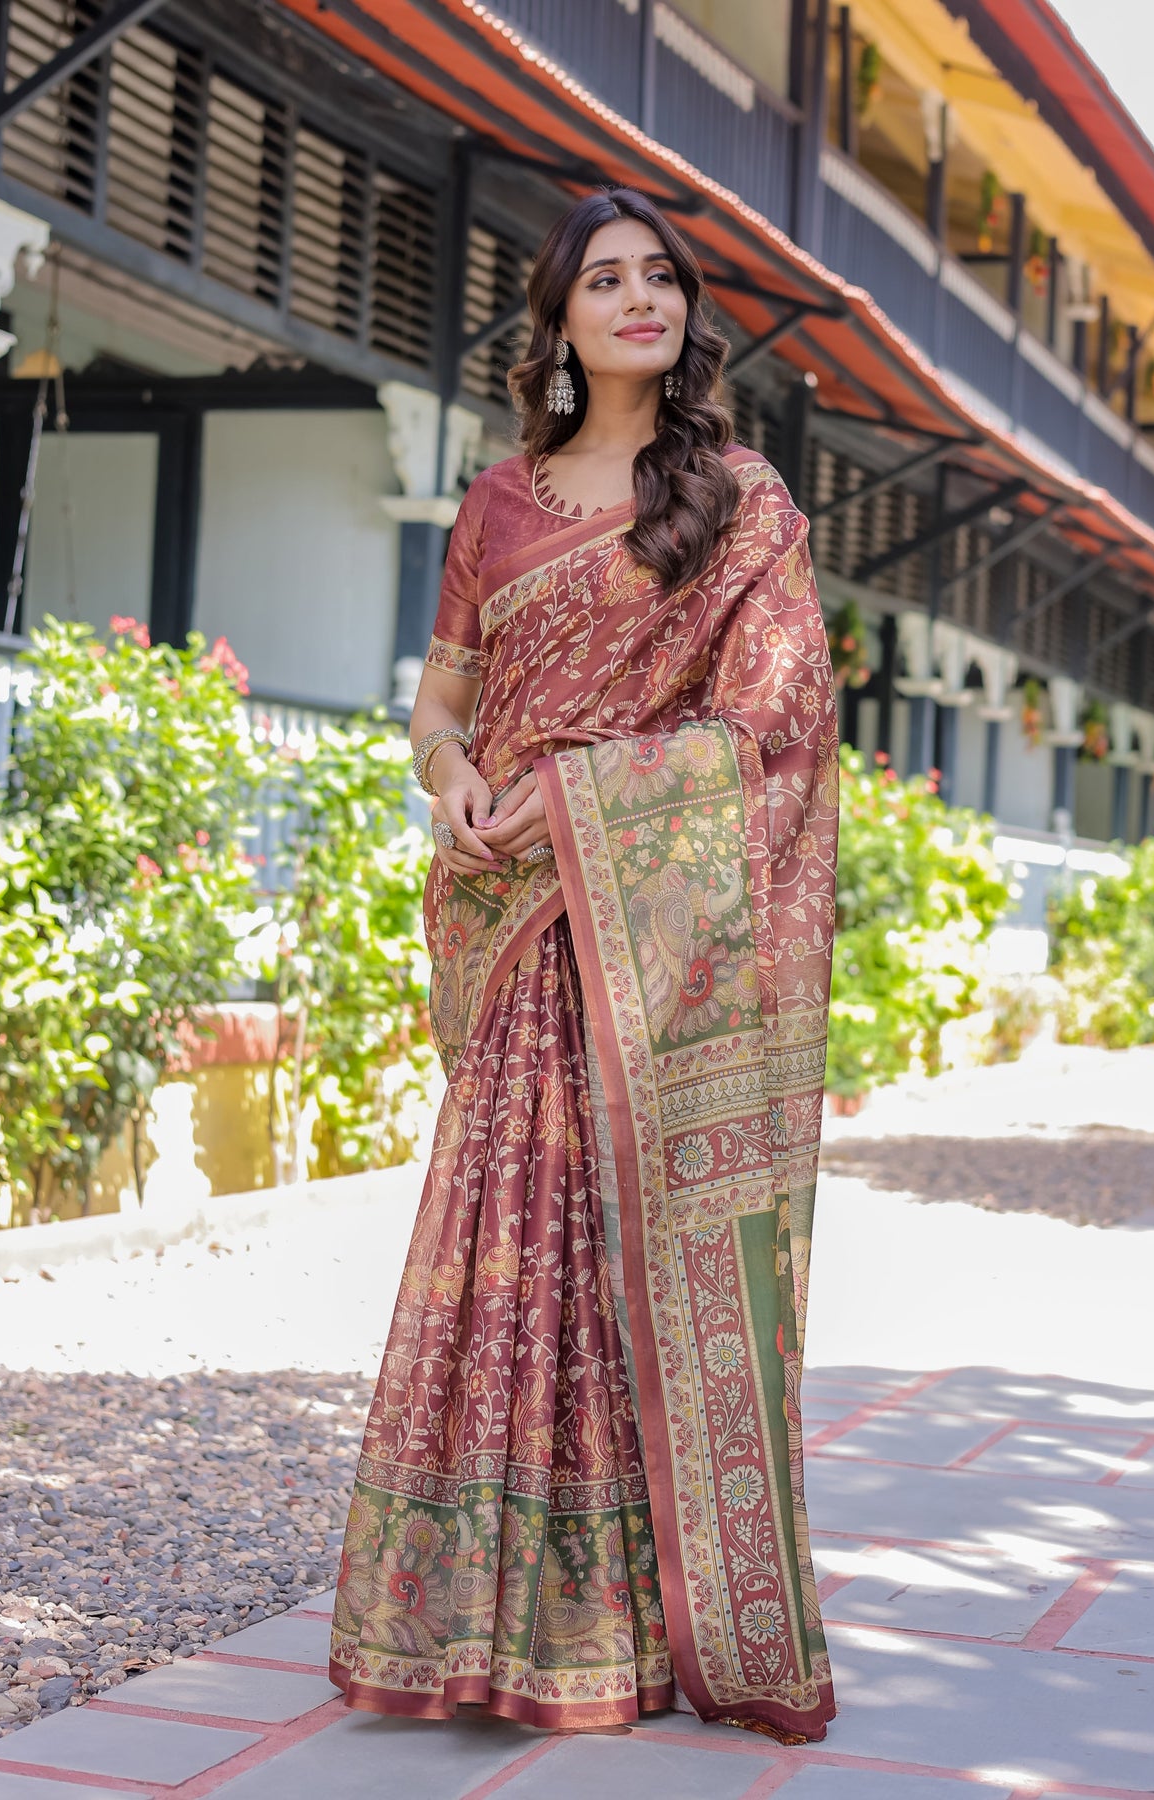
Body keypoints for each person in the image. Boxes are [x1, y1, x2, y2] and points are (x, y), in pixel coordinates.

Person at [329, 185, 839, 1744]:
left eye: (661, 277)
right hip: (513, 918)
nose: (639, 299)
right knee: (507, 1251)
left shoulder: (740, 502)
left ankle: (616, 1618)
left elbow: (774, 721)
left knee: (626, 1264)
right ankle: (470, 1613)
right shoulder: (498, 505)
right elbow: (441, 701)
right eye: (605, 280)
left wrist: (576, 799)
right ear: (557, 320)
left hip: (643, 929)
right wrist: (454, 779)